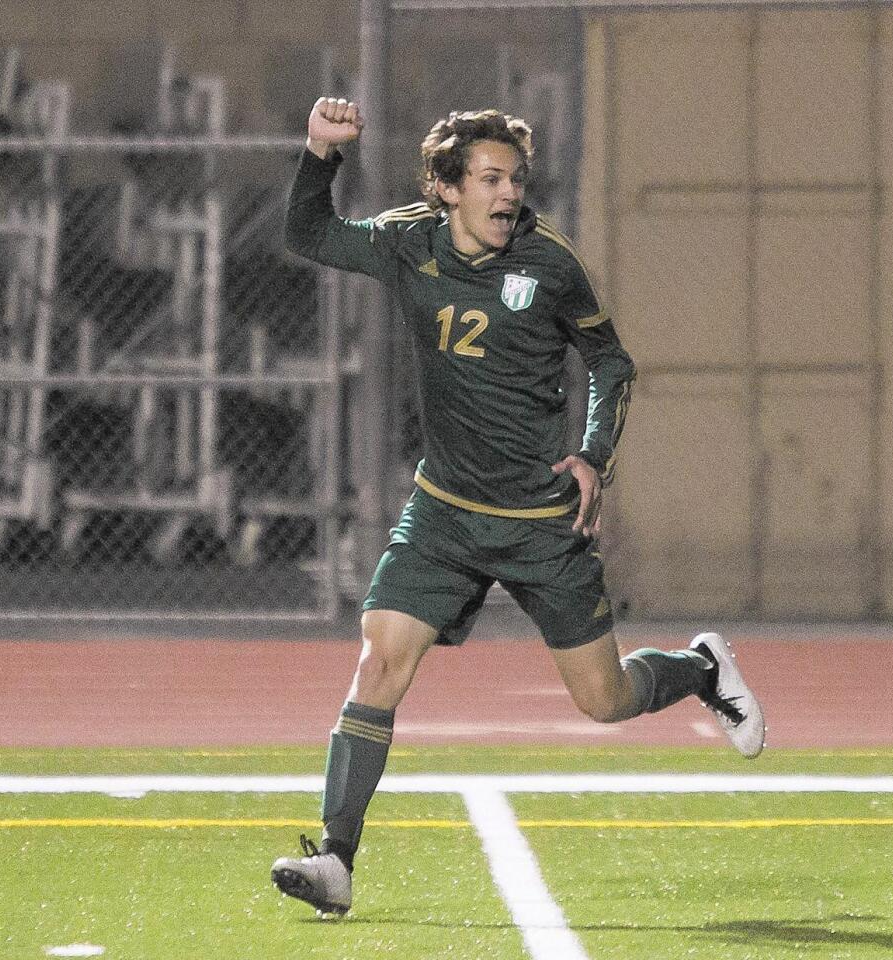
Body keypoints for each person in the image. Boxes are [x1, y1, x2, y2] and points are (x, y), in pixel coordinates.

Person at [270, 96, 765, 917]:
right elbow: (308, 234)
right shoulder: (407, 243)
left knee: (602, 701)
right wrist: (320, 153)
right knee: (378, 662)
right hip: (444, 512)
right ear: (446, 187)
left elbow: (612, 362)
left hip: (541, 522)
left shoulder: (550, 262)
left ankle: (702, 668)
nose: (507, 194)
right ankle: (336, 859)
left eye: (515, 178)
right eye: (490, 178)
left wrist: (595, 456)